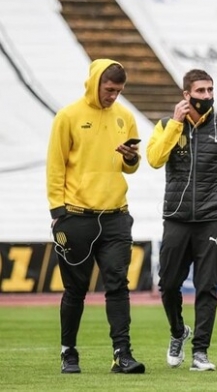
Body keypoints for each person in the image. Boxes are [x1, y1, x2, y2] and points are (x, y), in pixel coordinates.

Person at [46, 59, 145, 374]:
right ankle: (68, 352)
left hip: (116, 215)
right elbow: (55, 165)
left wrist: (132, 159)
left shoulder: (126, 117)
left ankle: (122, 354)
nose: (113, 96)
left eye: (118, 91)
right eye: (110, 89)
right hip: (76, 216)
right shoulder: (68, 116)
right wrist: (57, 211)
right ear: (95, 82)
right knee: (75, 289)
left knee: (118, 285)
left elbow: (131, 167)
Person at [147, 69, 217, 372]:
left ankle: (200, 352)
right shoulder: (166, 126)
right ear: (186, 95)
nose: (207, 96)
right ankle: (178, 331)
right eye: (200, 91)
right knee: (168, 285)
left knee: (207, 287)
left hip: (212, 218)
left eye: (210, 90)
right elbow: (154, 159)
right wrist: (175, 125)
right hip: (176, 218)